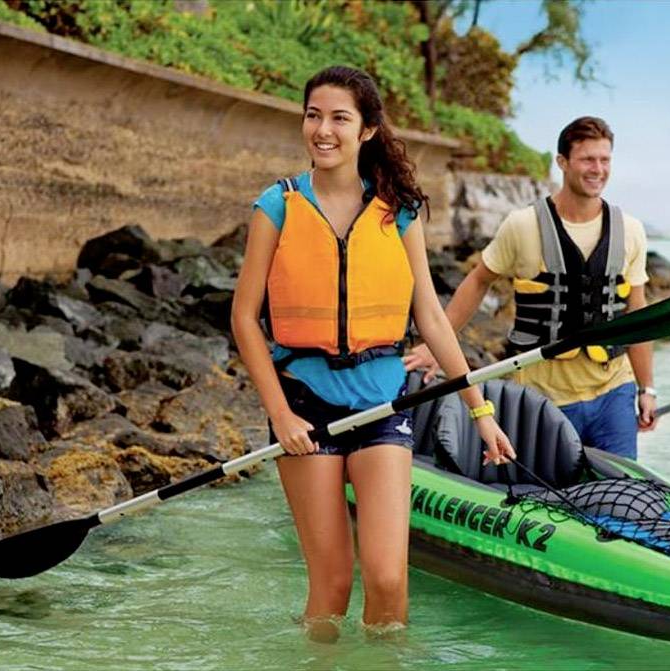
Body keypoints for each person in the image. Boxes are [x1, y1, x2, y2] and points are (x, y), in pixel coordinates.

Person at [230, 65, 515, 640]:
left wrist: (480, 413)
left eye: (339, 118)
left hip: (383, 406)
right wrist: (281, 415)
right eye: (314, 115)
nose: (323, 129)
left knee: (387, 580)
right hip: (305, 408)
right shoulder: (277, 205)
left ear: (366, 131)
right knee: (332, 584)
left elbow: (431, 318)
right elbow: (243, 317)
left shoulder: (399, 211)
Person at [404, 116, 657, 459]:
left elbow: (637, 312)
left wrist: (647, 388)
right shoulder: (522, 226)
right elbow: (478, 281)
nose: (597, 169)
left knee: (621, 494)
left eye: (604, 159)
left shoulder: (631, 230)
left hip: (614, 391)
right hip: (543, 398)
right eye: (587, 159)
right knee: (551, 501)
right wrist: (438, 343)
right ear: (563, 162)